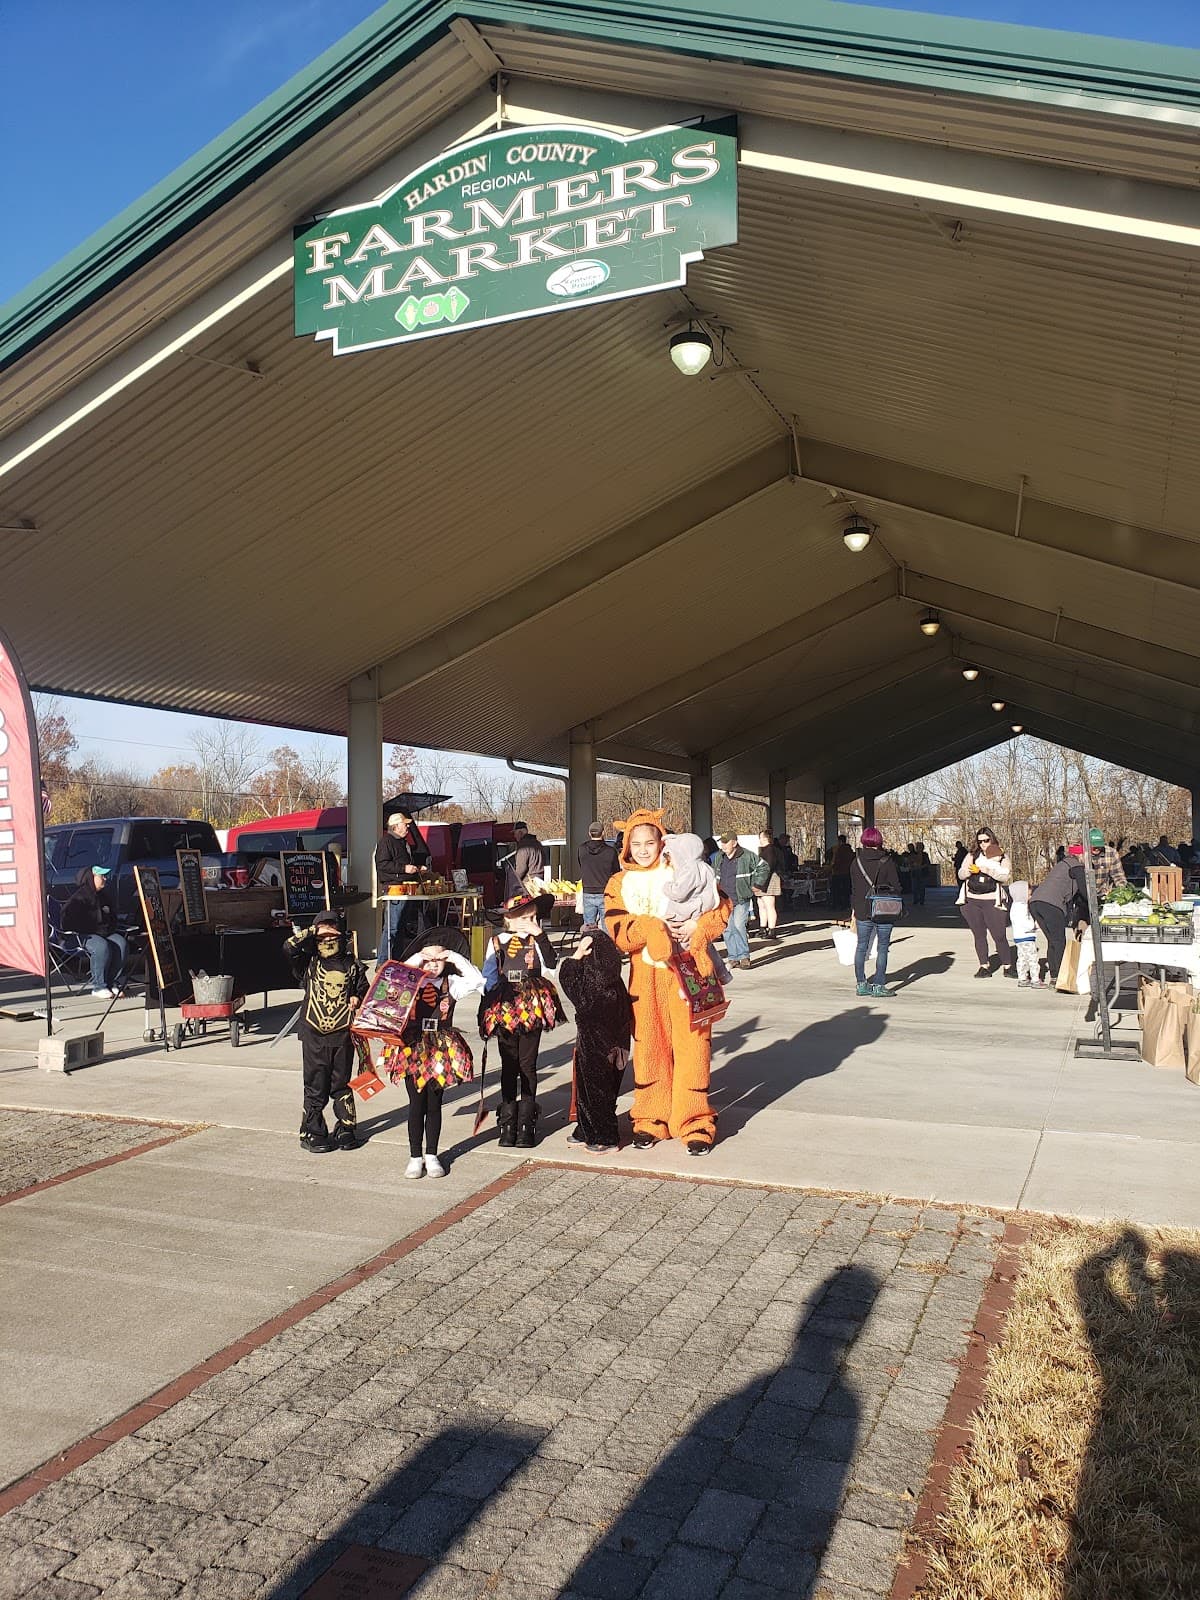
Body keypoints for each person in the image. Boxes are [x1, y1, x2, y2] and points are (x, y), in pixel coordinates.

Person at [605, 809, 730, 1155]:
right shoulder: (618, 883)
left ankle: (694, 1121)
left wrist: (698, 929)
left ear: (662, 842)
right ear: (627, 845)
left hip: (687, 972)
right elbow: (619, 932)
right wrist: (651, 928)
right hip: (644, 979)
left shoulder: (683, 868)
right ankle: (649, 1118)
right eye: (637, 843)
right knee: (649, 1049)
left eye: (650, 842)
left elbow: (722, 906)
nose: (644, 850)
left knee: (693, 1047)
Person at [380, 927, 484, 1180]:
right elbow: (391, 981)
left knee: (434, 1102)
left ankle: (432, 1154)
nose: (434, 965)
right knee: (416, 1103)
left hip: (440, 1047)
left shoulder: (453, 984)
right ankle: (415, 1156)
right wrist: (418, 959)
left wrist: (455, 957)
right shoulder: (410, 982)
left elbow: (478, 981)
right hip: (412, 1046)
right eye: (430, 960)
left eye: (439, 960)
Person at [480, 891, 561, 1148]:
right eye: (525, 917)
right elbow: (489, 980)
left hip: (531, 1005)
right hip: (505, 1006)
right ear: (510, 920)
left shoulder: (536, 940)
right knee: (509, 1064)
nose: (531, 922)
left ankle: (526, 1122)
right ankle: (508, 1120)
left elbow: (551, 964)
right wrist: (485, 1011)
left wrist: (540, 936)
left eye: (534, 917)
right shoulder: (496, 942)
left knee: (528, 1063)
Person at [284, 912, 369, 1154]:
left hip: (343, 1034)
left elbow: (365, 989)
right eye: (324, 931)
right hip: (313, 1034)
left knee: (341, 1083)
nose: (328, 936)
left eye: (333, 930)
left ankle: (346, 1127)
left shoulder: (353, 965)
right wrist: (313, 931)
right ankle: (312, 1131)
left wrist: (357, 996)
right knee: (315, 1084)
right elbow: (287, 947)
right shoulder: (308, 962)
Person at [558, 930, 631, 1152]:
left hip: (595, 1045)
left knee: (594, 1091)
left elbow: (567, 976)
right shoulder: (615, 981)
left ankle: (605, 1137)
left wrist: (577, 953)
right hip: (617, 1043)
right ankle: (586, 1128)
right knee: (601, 1089)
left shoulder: (592, 983)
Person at [662, 833, 732, 984]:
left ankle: (691, 983)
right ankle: (721, 973)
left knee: (685, 949)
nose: (670, 862)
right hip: (700, 910)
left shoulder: (688, 870)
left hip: (686, 914)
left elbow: (679, 892)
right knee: (703, 946)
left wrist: (666, 887)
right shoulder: (705, 867)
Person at [849, 827, 902, 997]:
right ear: (879, 841)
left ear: (863, 840)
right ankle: (879, 985)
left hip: (862, 910)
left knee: (861, 947)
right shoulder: (887, 861)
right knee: (883, 947)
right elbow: (897, 886)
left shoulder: (855, 861)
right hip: (883, 909)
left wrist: (854, 909)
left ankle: (861, 984)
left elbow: (855, 888)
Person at [957, 826, 1015, 977]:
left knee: (999, 935)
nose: (983, 844)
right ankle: (984, 965)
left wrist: (985, 870)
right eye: (980, 841)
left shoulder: (1002, 856)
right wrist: (969, 871)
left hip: (992, 900)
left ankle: (1007, 965)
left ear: (992, 839)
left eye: (986, 840)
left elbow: (1005, 876)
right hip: (972, 899)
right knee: (979, 934)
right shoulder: (972, 855)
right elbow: (961, 874)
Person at [61, 865, 127, 998]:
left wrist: (109, 926)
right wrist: (97, 930)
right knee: (101, 946)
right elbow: (69, 923)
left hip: (103, 933)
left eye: (105, 876)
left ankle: (111, 982)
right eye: (101, 876)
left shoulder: (103, 896)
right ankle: (99, 986)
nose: (105, 878)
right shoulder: (79, 898)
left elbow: (112, 918)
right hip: (80, 935)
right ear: (92, 878)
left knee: (121, 943)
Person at [375, 811, 430, 963]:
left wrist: (417, 868)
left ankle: (396, 960)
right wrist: (404, 868)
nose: (407, 827)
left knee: (399, 929)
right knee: (392, 928)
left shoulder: (402, 842)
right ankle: (382, 962)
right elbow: (382, 864)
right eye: (404, 824)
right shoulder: (386, 842)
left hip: (405, 889)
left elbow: (401, 865)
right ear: (395, 826)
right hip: (393, 890)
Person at [1029, 851, 1087, 988]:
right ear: (1080, 855)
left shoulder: (1062, 864)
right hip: (1051, 904)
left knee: (1053, 941)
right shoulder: (1076, 866)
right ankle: (1062, 977)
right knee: (1059, 941)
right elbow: (1085, 891)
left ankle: (1054, 977)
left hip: (1035, 902)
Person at [716, 832, 769, 970]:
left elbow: (764, 867)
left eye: (726, 842)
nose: (723, 845)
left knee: (739, 925)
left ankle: (744, 957)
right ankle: (733, 957)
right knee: (727, 929)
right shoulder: (719, 857)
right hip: (723, 901)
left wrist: (757, 884)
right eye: (722, 842)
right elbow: (713, 874)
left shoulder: (747, 855)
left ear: (734, 842)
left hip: (741, 898)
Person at [577, 821, 619, 928]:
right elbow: (616, 873)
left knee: (589, 927)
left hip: (588, 891)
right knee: (607, 927)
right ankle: (607, 944)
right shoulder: (611, 851)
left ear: (589, 833)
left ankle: (590, 944)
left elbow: (580, 865)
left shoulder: (581, 849)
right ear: (603, 833)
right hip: (606, 892)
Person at [1007, 882, 1042, 988]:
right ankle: (1035, 979)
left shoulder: (1015, 906)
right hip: (1027, 936)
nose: (1030, 896)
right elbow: (1025, 923)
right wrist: (1034, 925)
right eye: (1029, 894)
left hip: (1019, 937)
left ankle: (1022, 978)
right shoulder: (1021, 907)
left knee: (1022, 958)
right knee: (1032, 958)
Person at [502, 820, 544, 899]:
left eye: (515, 833)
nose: (514, 836)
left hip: (529, 885)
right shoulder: (538, 843)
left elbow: (521, 869)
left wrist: (513, 883)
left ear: (520, 833)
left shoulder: (523, 846)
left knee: (528, 909)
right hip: (540, 882)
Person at [754, 831, 782, 940]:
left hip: (769, 879)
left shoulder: (770, 851)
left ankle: (772, 930)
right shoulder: (767, 850)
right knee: (761, 904)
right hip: (763, 879)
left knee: (769, 905)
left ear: (765, 838)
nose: (759, 840)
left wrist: (762, 884)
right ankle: (763, 928)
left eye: (760, 837)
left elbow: (768, 867)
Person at [830, 834, 854, 919]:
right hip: (847, 873)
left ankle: (837, 905)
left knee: (837, 890)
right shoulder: (850, 850)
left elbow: (836, 861)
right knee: (846, 889)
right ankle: (846, 904)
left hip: (838, 872)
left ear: (840, 841)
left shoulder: (838, 850)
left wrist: (832, 867)